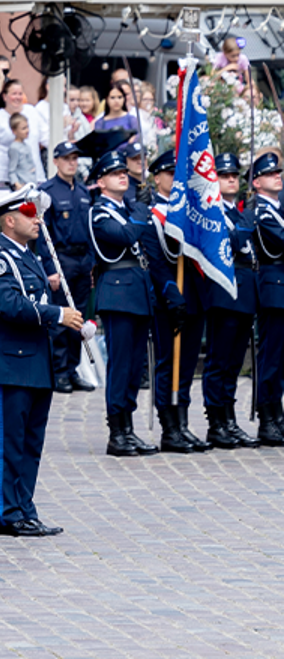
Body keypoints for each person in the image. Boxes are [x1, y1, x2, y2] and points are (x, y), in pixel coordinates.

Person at [0, 186, 79, 538]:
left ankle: (25, 508)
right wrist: (57, 314)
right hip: (13, 364)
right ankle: (10, 514)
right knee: (11, 443)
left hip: (36, 362)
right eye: (30, 214)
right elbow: (10, 305)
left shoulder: (29, 257)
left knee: (31, 443)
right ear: (9, 220)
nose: (38, 220)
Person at [89, 148, 160, 457]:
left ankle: (128, 428)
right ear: (100, 182)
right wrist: (142, 211)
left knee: (134, 366)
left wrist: (140, 208)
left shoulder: (128, 208)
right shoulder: (100, 212)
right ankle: (117, 432)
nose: (122, 176)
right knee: (120, 365)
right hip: (117, 293)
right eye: (114, 173)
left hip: (137, 291)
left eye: (123, 172)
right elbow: (126, 235)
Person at [198, 152, 260, 450]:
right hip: (223, 292)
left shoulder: (237, 212)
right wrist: (247, 221)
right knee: (219, 361)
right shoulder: (212, 213)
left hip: (245, 292)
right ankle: (216, 422)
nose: (232, 179)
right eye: (224, 175)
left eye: (234, 175)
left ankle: (229, 418)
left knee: (234, 362)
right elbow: (232, 242)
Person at [145, 149, 205, 451]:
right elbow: (156, 261)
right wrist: (172, 295)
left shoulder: (193, 212)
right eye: (170, 174)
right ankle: (169, 428)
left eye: (178, 174)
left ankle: (182, 422)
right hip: (168, 297)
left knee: (188, 363)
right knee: (168, 362)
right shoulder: (151, 214)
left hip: (193, 294)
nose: (175, 179)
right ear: (157, 178)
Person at [39, 142, 98, 395]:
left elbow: (90, 231)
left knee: (78, 318)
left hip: (82, 260)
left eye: (74, 158)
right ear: (56, 161)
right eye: (66, 158)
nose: (71, 163)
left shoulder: (83, 191)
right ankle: (59, 371)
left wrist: (92, 265)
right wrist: (50, 269)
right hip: (61, 259)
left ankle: (72, 369)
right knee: (62, 318)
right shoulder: (48, 191)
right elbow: (42, 234)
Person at [250, 152, 284, 445]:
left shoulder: (278, 208)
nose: (278, 176)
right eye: (270, 174)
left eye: (278, 172)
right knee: (271, 356)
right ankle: (267, 417)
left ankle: (277, 413)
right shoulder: (262, 212)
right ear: (257, 183)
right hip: (273, 287)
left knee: (281, 358)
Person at [0, 79, 43, 170]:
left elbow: (44, 137)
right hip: (5, 171)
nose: (18, 97)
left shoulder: (32, 111)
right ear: (5, 97)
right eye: (14, 94)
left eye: (20, 94)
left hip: (33, 171)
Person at [0, 115, 45, 187]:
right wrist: (17, 185)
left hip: (31, 183)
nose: (27, 130)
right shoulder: (14, 148)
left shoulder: (26, 145)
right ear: (14, 131)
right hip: (23, 185)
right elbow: (12, 170)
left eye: (27, 127)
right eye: (23, 128)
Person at [212, 36, 259, 104]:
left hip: (238, 87)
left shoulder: (243, 59)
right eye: (233, 56)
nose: (236, 58)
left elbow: (249, 80)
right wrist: (227, 68)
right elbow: (212, 76)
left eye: (238, 55)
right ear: (225, 54)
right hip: (222, 87)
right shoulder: (219, 57)